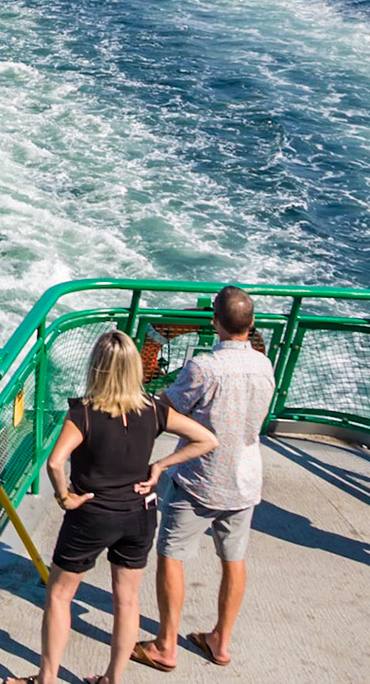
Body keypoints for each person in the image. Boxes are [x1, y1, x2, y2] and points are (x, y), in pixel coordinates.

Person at [4, 329, 217, 684]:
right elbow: (206, 439)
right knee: (127, 600)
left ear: (97, 369)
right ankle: (112, 680)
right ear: (134, 367)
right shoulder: (154, 409)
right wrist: (161, 465)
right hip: (139, 515)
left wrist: (65, 497)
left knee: (59, 595)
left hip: (91, 516)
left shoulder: (83, 414)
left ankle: (47, 679)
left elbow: (56, 463)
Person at [133, 286, 276, 671]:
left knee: (171, 556)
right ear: (251, 324)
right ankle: (220, 642)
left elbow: (166, 409)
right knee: (234, 559)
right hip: (245, 480)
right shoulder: (265, 365)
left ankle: (165, 646)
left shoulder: (204, 368)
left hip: (199, 479)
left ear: (215, 321)